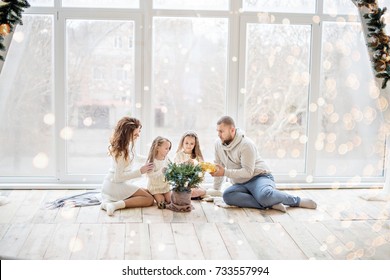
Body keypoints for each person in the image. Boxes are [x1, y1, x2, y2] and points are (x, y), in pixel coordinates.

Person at [210, 116, 317, 212]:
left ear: (232, 130)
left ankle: (297, 201)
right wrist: (215, 189)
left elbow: (247, 172)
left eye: (221, 131)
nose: (218, 135)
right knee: (228, 196)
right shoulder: (218, 144)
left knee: (265, 195)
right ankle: (270, 204)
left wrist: (225, 172)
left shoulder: (246, 144)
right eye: (217, 131)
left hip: (259, 177)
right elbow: (219, 167)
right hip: (240, 183)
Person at [101, 116, 155, 216]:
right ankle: (114, 205)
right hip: (114, 184)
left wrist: (152, 159)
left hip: (120, 183)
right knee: (149, 199)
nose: (138, 135)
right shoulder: (121, 152)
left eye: (139, 132)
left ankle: (107, 204)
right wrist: (140, 171)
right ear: (127, 134)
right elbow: (118, 178)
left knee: (151, 192)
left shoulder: (129, 143)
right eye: (135, 134)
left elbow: (137, 158)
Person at [174, 131, 206, 199]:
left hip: (194, 184)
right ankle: (189, 194)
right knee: (180, 191)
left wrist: (195, 164)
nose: (189, 145)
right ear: (182, 143)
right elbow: (175, 169)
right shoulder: (178, 155)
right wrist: (185, 163)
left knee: (193, 191)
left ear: (195, 145)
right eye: (186, 143)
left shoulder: (197, 156)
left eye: (192, 143)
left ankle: (198, 193)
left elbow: (202, 171)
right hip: (181, 183)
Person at [146, 136, 172, 209]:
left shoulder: (166, 158)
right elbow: (150, 176)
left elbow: (171, 167)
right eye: (166, 148)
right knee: (162, 203)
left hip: (165, 186)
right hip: (155, 187)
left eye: (169, 148)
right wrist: (161, 171)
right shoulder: (152, 161)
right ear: (157, 148)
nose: (168, 150)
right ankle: (155, 195)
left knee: (170, 201)